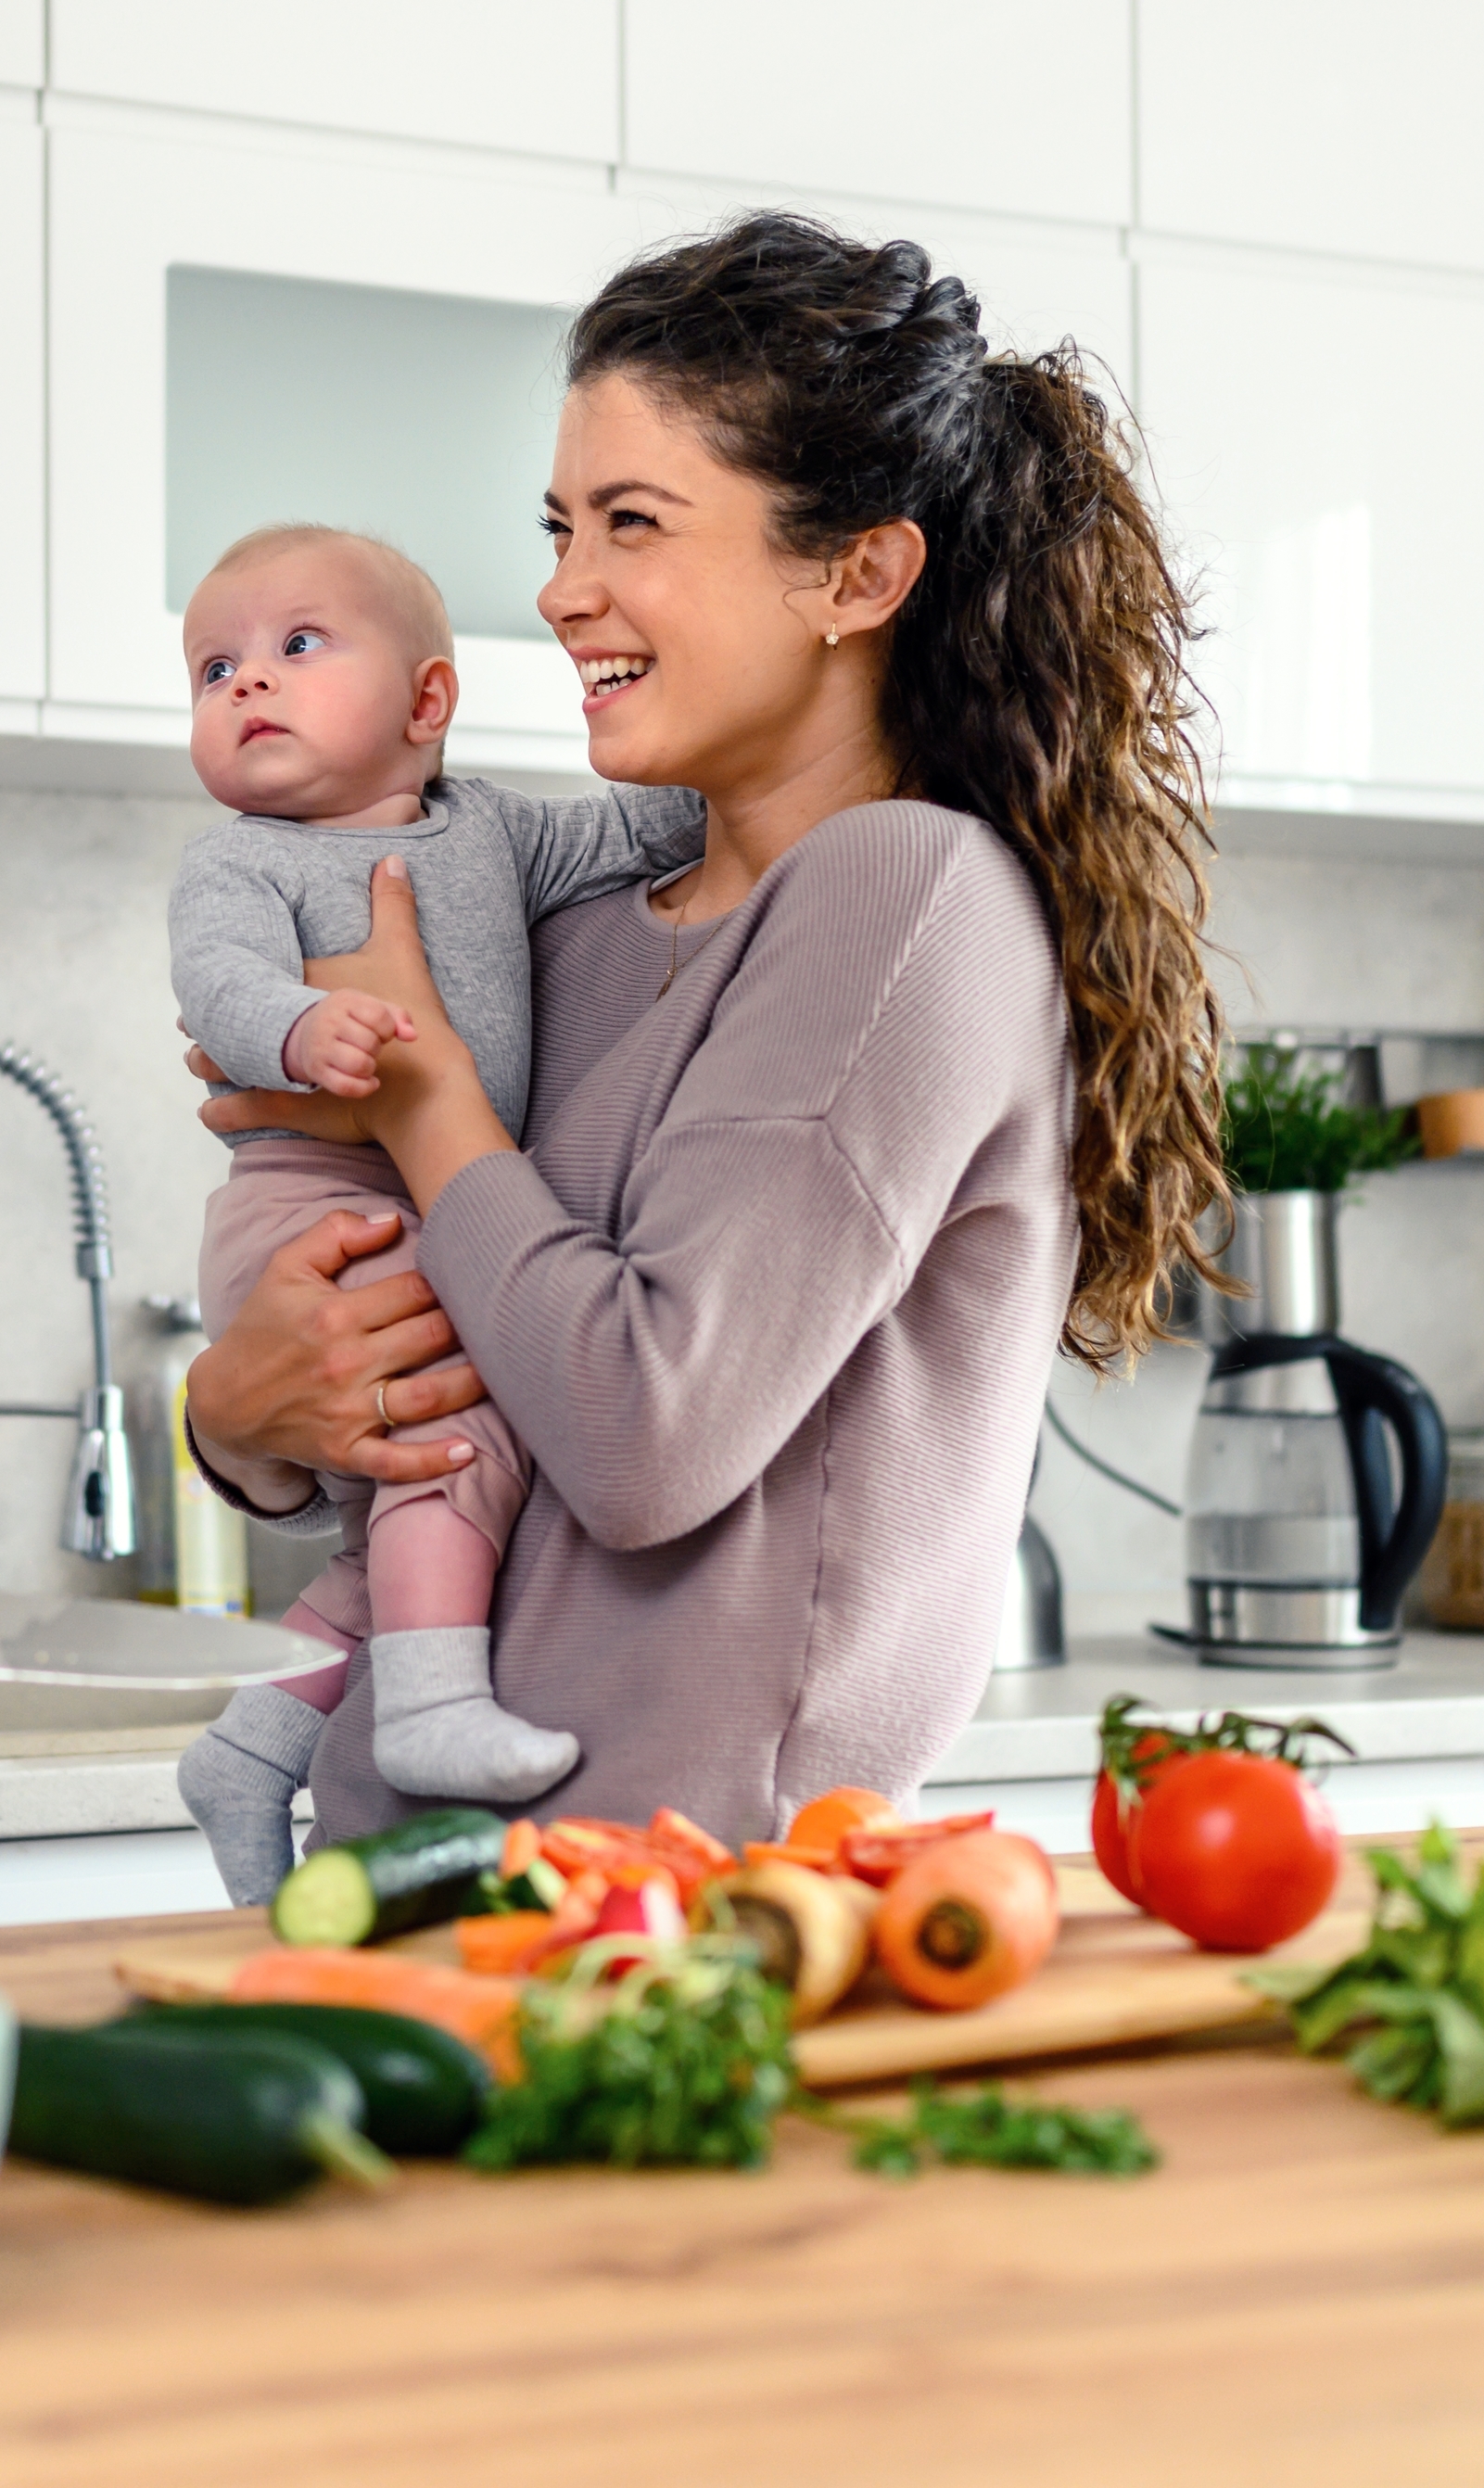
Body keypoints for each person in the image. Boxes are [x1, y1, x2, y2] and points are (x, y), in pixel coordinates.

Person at [182, 211, 1230, 1851]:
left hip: (683, 1919)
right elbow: (453, 1416)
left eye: (633, 523)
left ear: (859, 574)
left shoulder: (904, 899)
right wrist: (239, 1419)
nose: (560, 587)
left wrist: (431, 1108)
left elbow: (639, 1432)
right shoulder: (570, 929)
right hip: (414, 1875)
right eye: (558, 523)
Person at [159, 526, 701, 1885]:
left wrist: (756, 771)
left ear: (427, 703)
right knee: (455, 1433)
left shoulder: (494, 832)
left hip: (422, 1206)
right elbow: (216, 986)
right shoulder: (243, 860)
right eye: (212, 667)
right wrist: (301, 1029)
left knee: (416, 1497)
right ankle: (433, 1710)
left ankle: (253, 1747)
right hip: (312, 1206)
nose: (245, 686)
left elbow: (642, 830)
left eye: (294, 647)